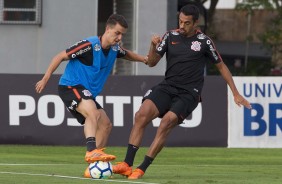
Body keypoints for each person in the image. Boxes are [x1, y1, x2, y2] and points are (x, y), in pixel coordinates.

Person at [113, 4, 252, 180]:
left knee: (166, 122)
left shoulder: (204, 42)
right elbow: (152, 62)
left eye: (187, 23)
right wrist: (152, 45)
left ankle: (142, 168)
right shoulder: (170, 36)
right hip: (168, 87)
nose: (182, 25)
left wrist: (235, 93)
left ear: (195, 23)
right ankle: (126, 164)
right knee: (141, 114)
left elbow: (222, 67)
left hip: (189, 93)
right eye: (180, 21)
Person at [35, 14, 147, 178]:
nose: (120, 37)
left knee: (106, 125)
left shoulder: (115, 49)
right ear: (107, 29)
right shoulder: (89, 45)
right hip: (70, 86)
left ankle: (93, 167)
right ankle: (91, 151)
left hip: (86, 92)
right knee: (92, 113)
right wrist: (45, 78)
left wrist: (145, 59)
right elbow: (61, 56)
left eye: (122, 34)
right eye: (117, 33)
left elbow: (127, 54)